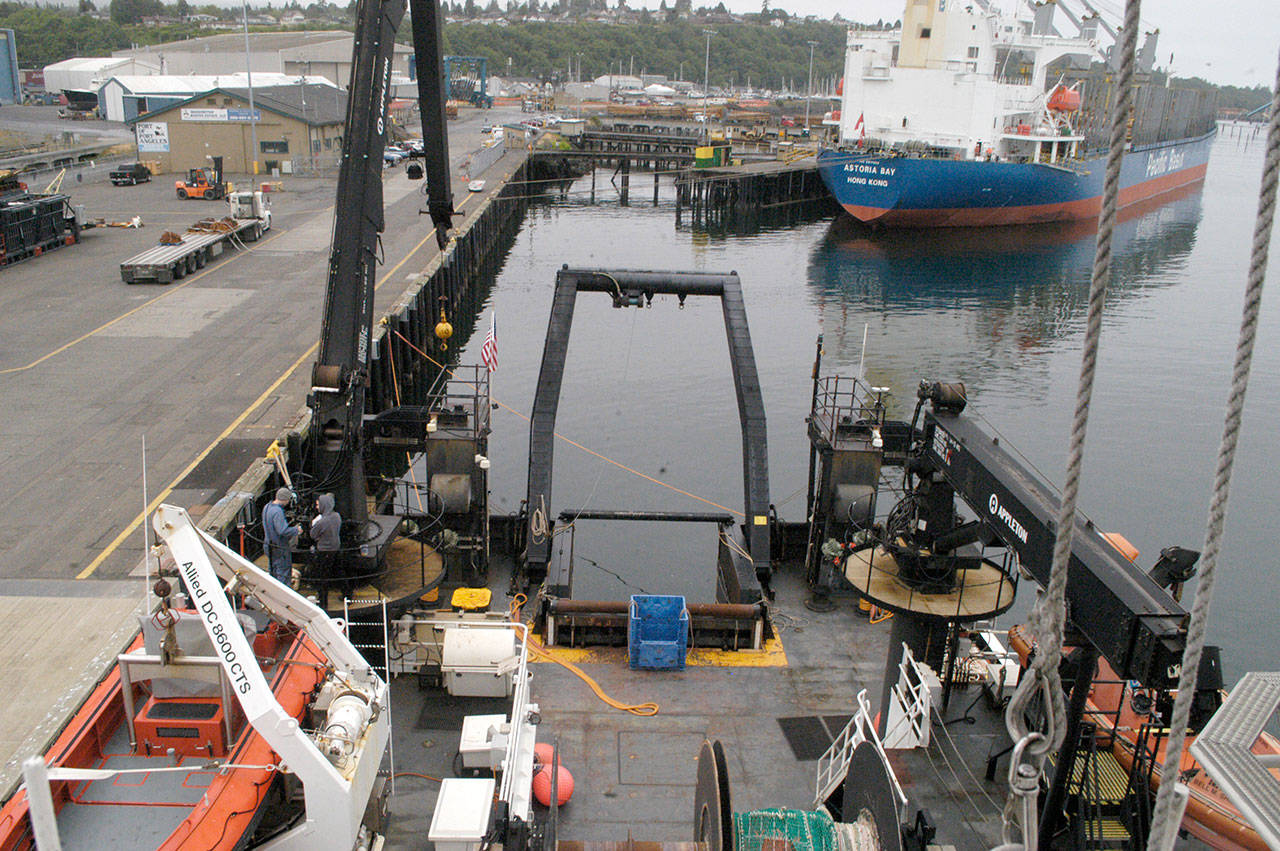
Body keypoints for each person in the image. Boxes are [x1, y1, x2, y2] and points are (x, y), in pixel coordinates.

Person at [263, 487, 301, 585]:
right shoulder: (278, 512)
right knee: (283, 573)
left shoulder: (267, 507)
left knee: (273, 571)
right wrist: (296, 530)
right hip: (279, 547)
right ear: (285, 499)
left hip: (268, 545)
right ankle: (283, 595)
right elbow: (282, 530)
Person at [309, 493, 342, 606]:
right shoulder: (337, 516)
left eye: (318, 505)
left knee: (322, 577)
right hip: (336, 548)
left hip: (324, 551)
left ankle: (323, 603)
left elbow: (313, 535)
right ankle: (347, 593)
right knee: (339, 572)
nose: (317, 507)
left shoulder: (322, 522)